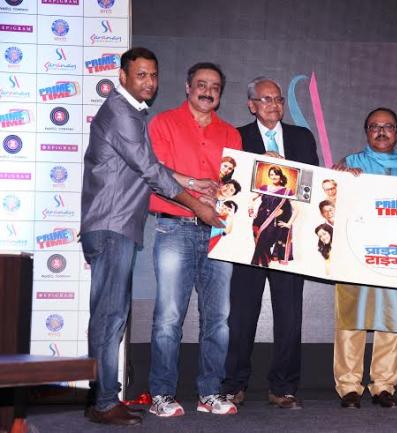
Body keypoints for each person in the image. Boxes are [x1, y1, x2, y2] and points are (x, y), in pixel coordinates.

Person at [81, 48, 223, 426]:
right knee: (110, 316)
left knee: (112, 314)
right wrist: (198, 206)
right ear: (123, 77)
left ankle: (102, 397)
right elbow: (150, 172)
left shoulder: (130, 113)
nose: (149, 82)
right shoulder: (121, 112)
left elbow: (151, 166)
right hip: (111, 224)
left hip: (116, 225)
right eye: (141, 75)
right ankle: (103, 402)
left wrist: (191, 181)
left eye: (153, 75)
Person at [146, 62, 243, 418]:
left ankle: (210, 393)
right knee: (169, 316)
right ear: (188, 87)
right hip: (175, 228)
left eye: (215, 86)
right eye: (201, 84)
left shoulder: (231, 134)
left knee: (218, 319)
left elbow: (234, 186)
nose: (207, 91)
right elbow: (156, 173)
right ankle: (161, 395)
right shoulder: (163, 123)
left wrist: (226, 192)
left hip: (218, 232)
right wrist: (194, 186)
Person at [222, 77, 318, 409]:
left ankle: (283, 387)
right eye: (265, 99)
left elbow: (313, 185)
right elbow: (229, 184)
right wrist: (261, 165)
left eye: (278, 99)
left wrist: (285, 170)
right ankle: (234, 384)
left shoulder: (301, 137)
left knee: (289, 316)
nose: (274, 105)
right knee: (241, 315)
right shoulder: (236, 137)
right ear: (251, 105)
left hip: (290, 236)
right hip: (247, 238)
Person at [333, 107, 397, 409]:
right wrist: (336, 181)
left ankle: (384, 385)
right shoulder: (349, 165)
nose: (381, 131)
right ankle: (349, 386)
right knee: (352, 319)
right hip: (356, 255)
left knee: (392, 320)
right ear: (366, 131)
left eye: (388, 126)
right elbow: (329, 205)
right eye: (375, 126)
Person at [249, 166, 297, 266]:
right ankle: (264, 266)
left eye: (276, 174)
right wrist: (251, 210)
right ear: (269, 176)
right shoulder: (264, 188)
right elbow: (251, 198)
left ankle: (257, 265)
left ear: (280, 176)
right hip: (259, 221)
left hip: (273, 224)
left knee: (263, 246)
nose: (274, 176)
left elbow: (296, 209)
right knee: (260, 247)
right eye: (271, 174)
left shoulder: (287, 191)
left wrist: (288, 224)